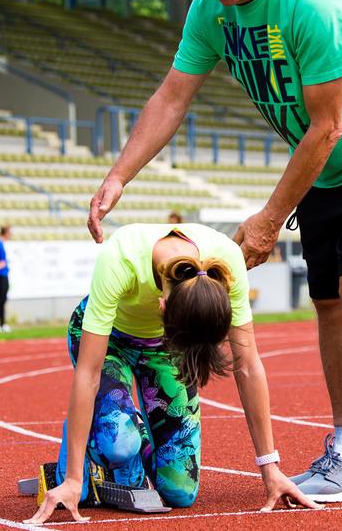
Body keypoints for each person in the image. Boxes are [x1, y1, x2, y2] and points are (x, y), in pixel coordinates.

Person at [85, 0, 342, 503]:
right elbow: (173, 96)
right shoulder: (210, 6)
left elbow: (328, 128)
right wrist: (118, 177)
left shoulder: (311, 4)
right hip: (318, 161)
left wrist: (269, 220)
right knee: (325, 301)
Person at [26, 223, 318, 524]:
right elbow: (89, 373)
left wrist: (270, 468)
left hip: (164, 348)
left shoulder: (227, 262)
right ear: (162, 306)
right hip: (110, 340)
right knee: (119, 442)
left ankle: (118, 433)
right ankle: (97, 434)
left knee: (180, 492)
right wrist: (73, 479)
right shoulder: (121, 256)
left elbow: (247, 365)